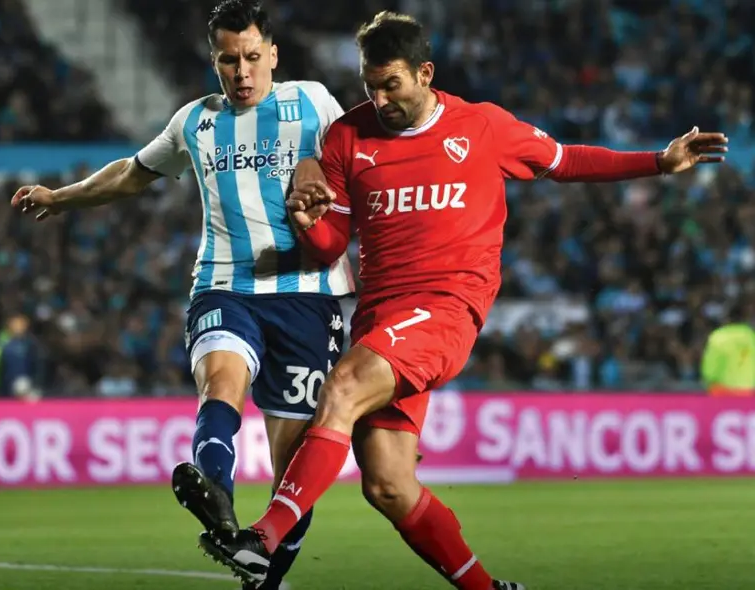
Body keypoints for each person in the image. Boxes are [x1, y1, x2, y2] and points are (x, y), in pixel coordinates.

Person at [189, 11, 728, 589]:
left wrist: (656, 162)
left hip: (446, 308)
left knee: (341, 387)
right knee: (387, 483)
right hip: (381, 319)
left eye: (391, 84)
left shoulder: (482, 127)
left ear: (425, 73)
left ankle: (262, 538)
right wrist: (306, 221)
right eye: (371, 85)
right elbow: (329, 247)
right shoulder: (349, 136)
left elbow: (564, 160)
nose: (380, 98)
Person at [11, 1, 353, 587]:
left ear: (273, 55)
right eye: (228, 60)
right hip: (225, 285)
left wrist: (326, 177)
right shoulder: (194, 122)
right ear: (213, 61)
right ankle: (215, 493)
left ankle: (260, 575)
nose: (242, 71)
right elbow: (131, 172)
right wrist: (60, 197)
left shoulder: (315, 104)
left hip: (309, 296)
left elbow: (360, 160)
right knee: (221, 380)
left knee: (292, 466)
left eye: (251, 57)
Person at [701, 304, 755, 396]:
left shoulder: (718, 337)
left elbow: (709, 370)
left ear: (727, 319)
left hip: (722, 392)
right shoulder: (751, 336)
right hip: (750, 392)